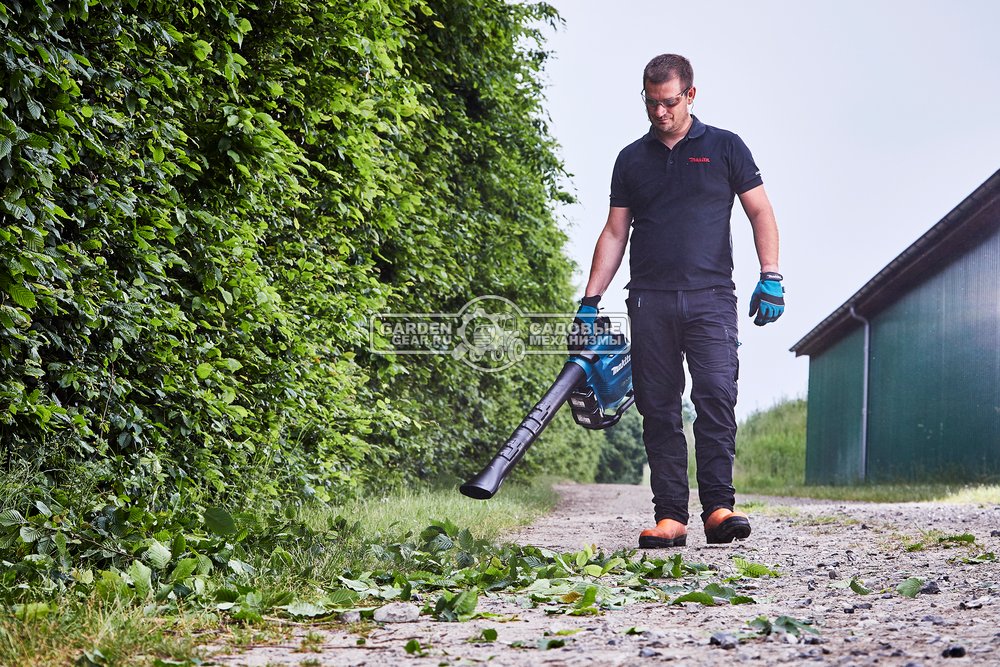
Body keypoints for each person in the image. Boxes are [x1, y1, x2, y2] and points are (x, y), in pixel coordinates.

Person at [578, 53, 784, 547]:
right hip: (649, 299)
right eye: (651, 103)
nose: (660, 113)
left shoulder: (725, 148)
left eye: (669, 102)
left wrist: (771, 275)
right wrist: (590, 299)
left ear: (690, 95)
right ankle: (671, 516)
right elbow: (614, 232)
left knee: (715, 394)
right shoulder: (631, 159)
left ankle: (718, 508)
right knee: (659, 408)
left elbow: (760, 212)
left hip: (712, 298)